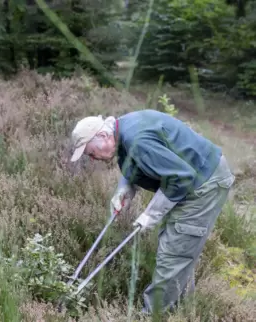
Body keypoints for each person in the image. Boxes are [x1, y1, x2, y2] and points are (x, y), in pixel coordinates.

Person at [69, 109, 235, 315]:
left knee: (175, 251)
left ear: (103, 135)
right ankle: (183, 308)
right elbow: (139, 161)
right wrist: (125, 189)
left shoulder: (136, 140)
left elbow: (180, 178)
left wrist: (150, 214)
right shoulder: (122, 131)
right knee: (177, 244)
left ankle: (151, 315)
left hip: (204, 183)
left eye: (91, 152)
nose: (93, 158)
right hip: (194, 177)